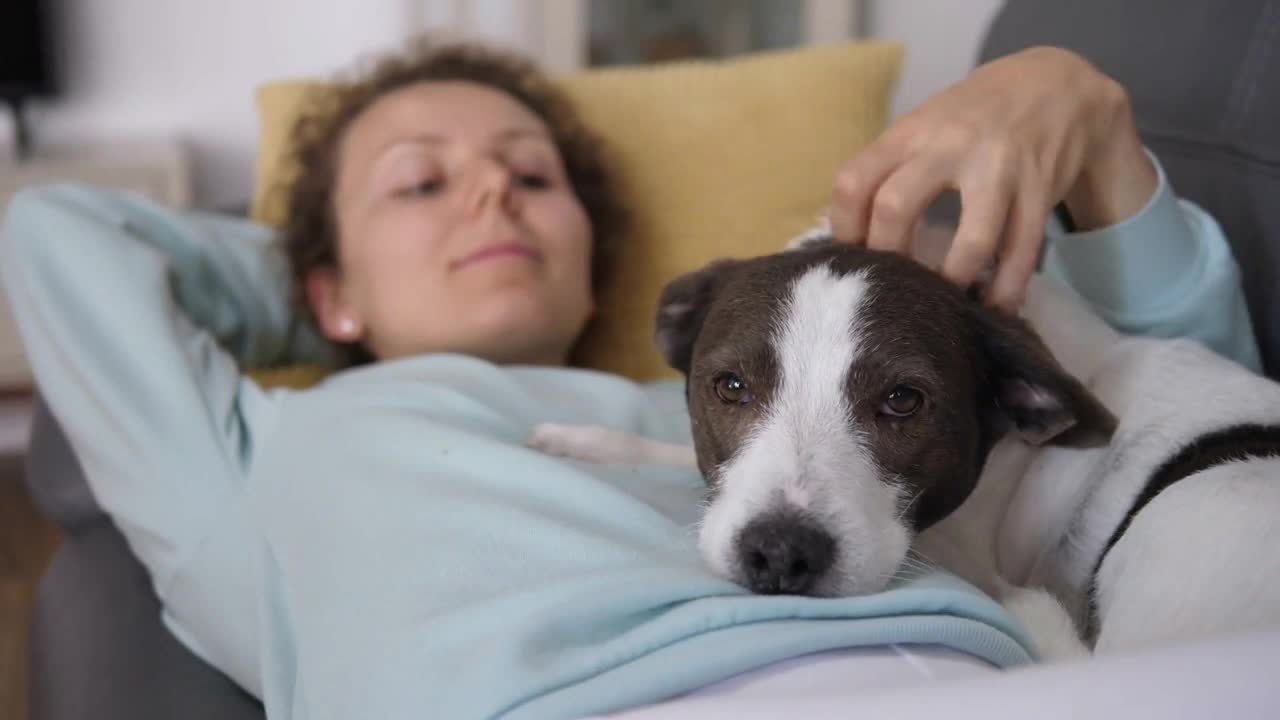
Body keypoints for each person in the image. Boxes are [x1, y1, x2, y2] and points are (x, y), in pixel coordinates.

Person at [2, 39, 1261, 719]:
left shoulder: (711, 403)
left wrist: (1083, 117)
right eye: (422, 182)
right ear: (323, 286)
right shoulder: (260, 449)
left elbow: (1175, 410)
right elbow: (56, 237)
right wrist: (315, 278)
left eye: (531, 177)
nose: (492, 189)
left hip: (971, 667)